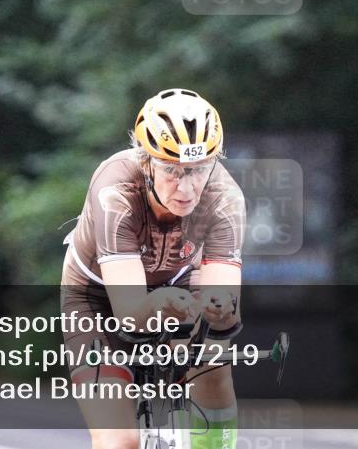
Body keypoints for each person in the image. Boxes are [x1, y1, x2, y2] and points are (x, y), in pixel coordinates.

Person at [61, 88, 245, 449]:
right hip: (96, 297)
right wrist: (158, 300)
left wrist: (217, 311)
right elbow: (129, 314)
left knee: (212, 363)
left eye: (199, 170)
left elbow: (224, 305)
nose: (187, 187)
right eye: (171, 170)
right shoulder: (115, 189)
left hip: (179, 282)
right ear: (146, 161)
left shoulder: (225, 198)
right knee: (121, 442)